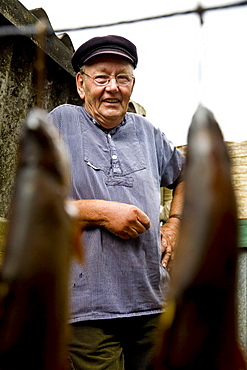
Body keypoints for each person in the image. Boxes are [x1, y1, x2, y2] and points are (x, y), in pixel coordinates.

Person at [50, 35, 185, 370]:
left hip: (152, 302)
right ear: (81, 84)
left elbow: (188, 176)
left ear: (132, 85)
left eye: (122, 78)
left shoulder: (147, 132)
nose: (112, 87)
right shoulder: (60, 123)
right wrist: (102, 212)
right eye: (101, 78)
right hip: (86, 310)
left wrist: (176, 224)